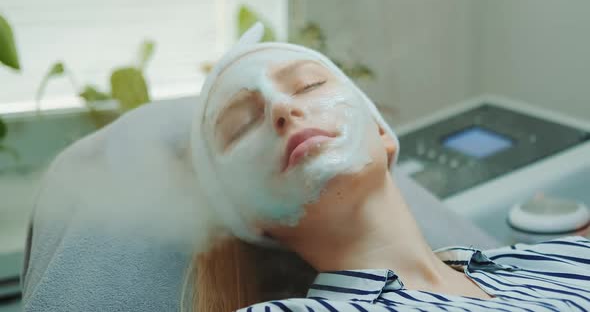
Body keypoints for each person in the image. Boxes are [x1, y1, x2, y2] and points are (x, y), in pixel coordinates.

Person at [187, 24, 590, 312]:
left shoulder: (566, 257)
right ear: (243, 214)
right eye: (241, 127)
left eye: (309, 85)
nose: (281, 106)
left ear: (382, 131)